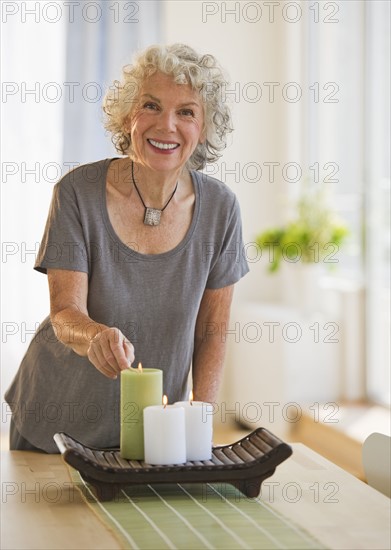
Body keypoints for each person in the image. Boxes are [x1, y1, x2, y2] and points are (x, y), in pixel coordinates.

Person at [5, 43, 249, 453]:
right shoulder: (77, 193)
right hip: (55, 424)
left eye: (186, 111)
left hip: (152, 435)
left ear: (204, 128)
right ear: (127, 117)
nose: (166, 125)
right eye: (151, 106)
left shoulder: (221, 209)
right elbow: (65, 313)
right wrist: (95, 336)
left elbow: (212, 331)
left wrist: (198, 424)